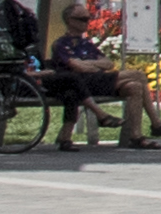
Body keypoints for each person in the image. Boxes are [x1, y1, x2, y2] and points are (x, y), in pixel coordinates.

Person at [44, 10, 154, 148]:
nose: (86, 22)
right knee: (139, 75)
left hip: (97, 80)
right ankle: (156, 123)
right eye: (81, 19)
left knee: (135, 86)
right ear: (69, 20)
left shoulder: (86, 43)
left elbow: (108, 63)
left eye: (88, 18)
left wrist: (89, 64)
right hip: (82, 84)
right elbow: (77, 67)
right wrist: (93, 65)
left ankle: (136, 135)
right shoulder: (61, 44)